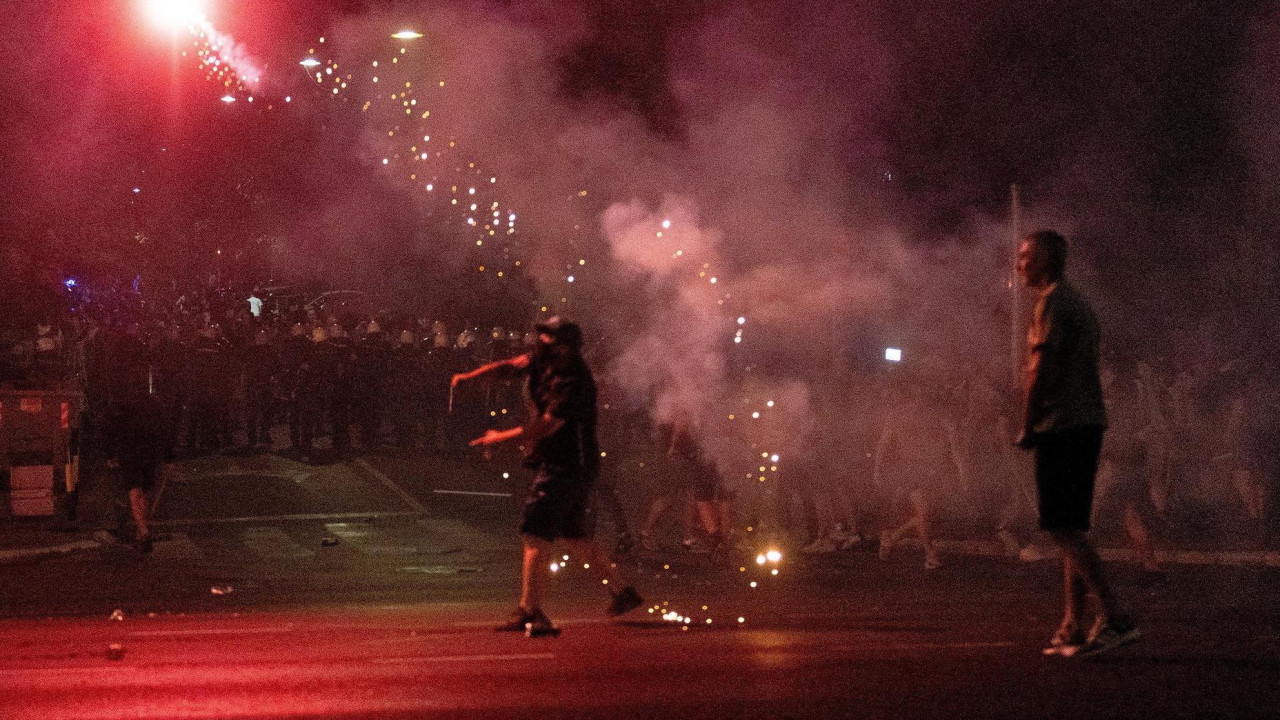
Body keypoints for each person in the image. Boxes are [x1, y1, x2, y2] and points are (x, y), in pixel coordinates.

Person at [455, 317, 643, 636]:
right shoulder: (543, 360)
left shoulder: (573, 381)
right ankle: (622, 592)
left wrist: (497, 439)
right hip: (566, 461)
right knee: (574, 534)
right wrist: (469, 377)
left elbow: (545, 425)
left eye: (546, 339)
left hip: (569, 464)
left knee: (535, 531)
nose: (538, 344)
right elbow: (510, 366)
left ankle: (531, 611)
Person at [1015, 230, 1139, 658]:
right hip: (1085, 422)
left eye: (1027, 256)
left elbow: (1041, 368)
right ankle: (1072, 624)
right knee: (1072, 526)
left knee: (1062, 527)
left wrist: (1028, 424)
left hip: (1062, 423)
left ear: (1047, 260)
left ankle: (1117, 617)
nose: (1020, 264)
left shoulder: (1052, 302)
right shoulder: (1079, 303)